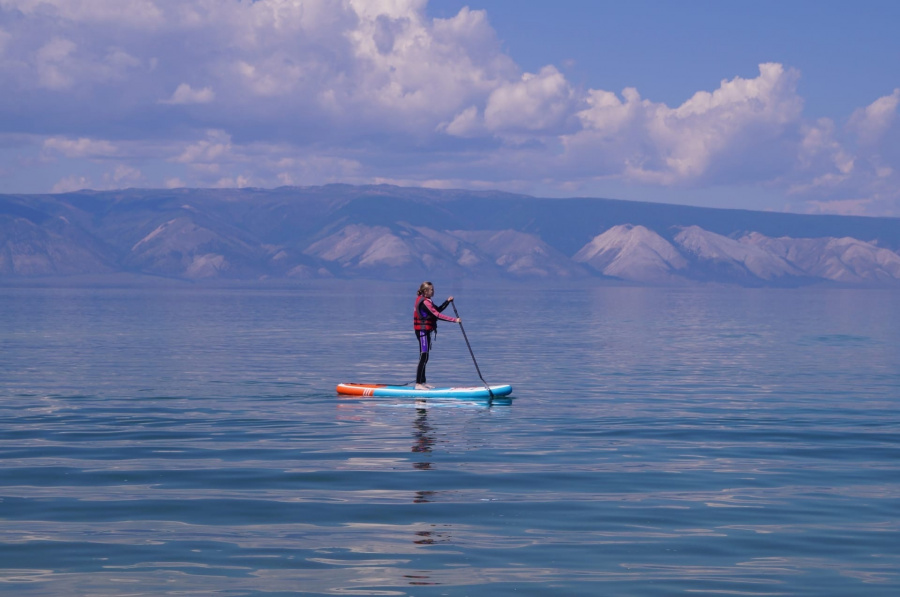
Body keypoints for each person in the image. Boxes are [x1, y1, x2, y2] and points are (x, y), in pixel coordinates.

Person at [413, 281, 460, 390]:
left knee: (426, 356)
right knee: (423, 356)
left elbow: (436, 310)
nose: (433, 291)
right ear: (425, 291)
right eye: (431, 289)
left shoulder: (427, 301)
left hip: (425, 330)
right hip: (422, 331)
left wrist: (447, 302)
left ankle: (422, 382)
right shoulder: (425, 302)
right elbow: (437, 315)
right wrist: (454, 320)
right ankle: (418, 384)